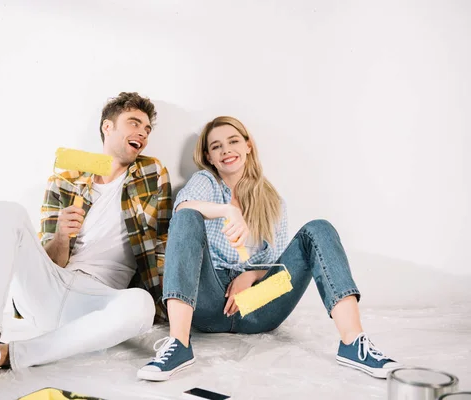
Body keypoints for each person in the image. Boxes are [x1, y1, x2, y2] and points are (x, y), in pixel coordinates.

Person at [0, 92, 172, 378]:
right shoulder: (66, 180)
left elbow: (162, 242)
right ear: (108, 126)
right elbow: (53, 260)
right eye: (134, 123)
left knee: (141, 305)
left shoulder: (150, 173)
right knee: (7, 211)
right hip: (48, 288)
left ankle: (4, 355)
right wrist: (61, 236)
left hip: (95, 301)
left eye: (147, 129)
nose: (142, 133)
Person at [137, 116, 400, 381]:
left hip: (256, 305)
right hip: (208, 301)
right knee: (187, 215)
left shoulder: (273, 200)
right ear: (209, 156)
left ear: (248, 146)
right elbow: (183, 208)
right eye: (216, 146)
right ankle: (179, 345)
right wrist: (228, 210)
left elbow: (278, 269)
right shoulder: (206, 182)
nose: (226, 150)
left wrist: (250, 276)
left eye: (233, 141)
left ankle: (353, 343)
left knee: (319, 228)